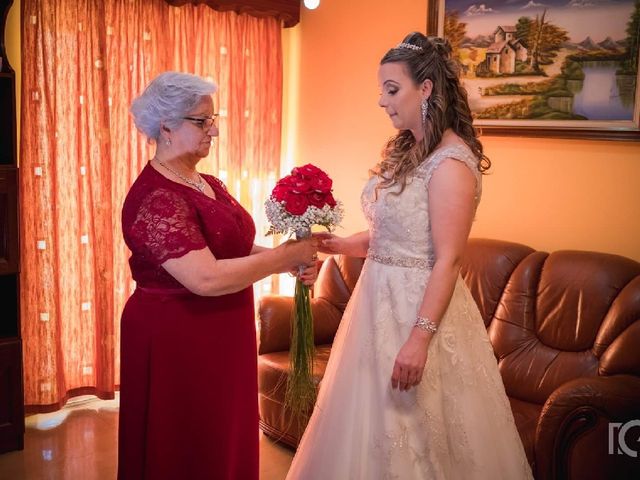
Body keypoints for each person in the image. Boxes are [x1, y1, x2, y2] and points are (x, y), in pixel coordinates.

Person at [286, 33, 533, 479]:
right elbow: (389, 237)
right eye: (382, 89)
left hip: (417, 312)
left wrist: (419, 339)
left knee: (418, 433)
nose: (381, 101)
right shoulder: (409, 152)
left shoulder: (452, 164)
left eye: (391, 89)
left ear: (426, 89)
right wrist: (337, 245)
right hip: (374, 307)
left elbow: (447, 259)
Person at [118, 71, 318, 480]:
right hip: (179, 338)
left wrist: (292, 260)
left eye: (214, 118)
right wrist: (284, 257)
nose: (216, 129)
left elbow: (233, 250)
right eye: (202, 121)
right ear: (166, 126)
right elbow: (205, 278)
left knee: (224, 437)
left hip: (223, 332)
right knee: (188, 441)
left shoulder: (206, 182)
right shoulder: (156, 197)